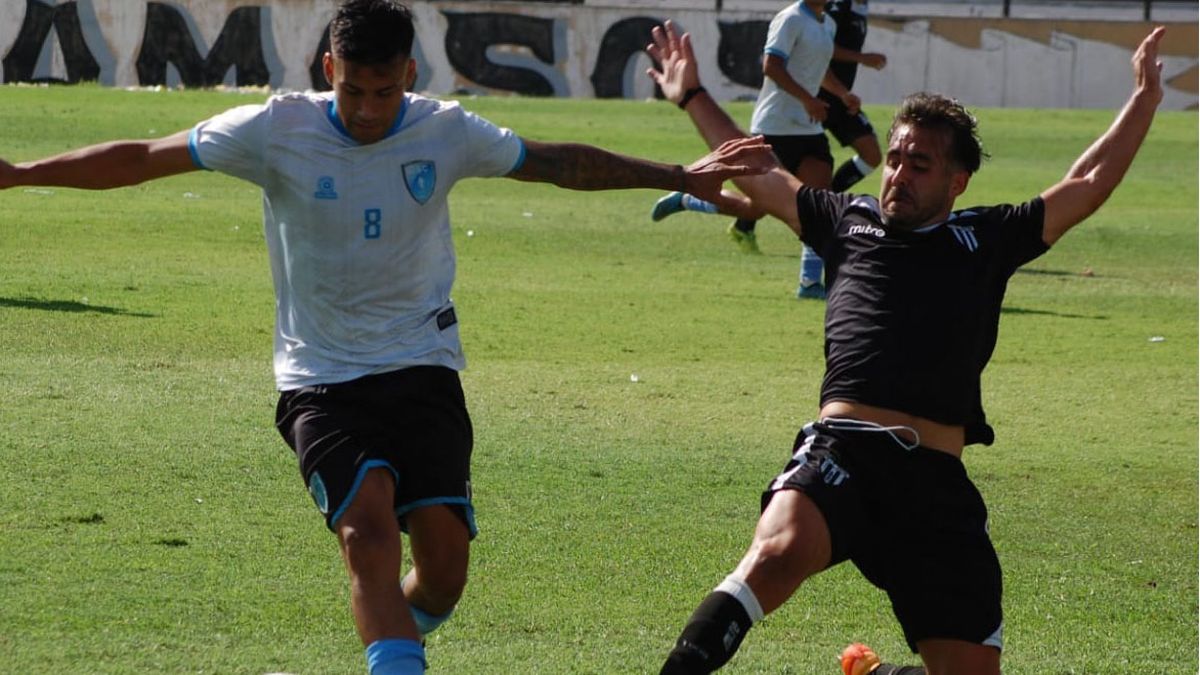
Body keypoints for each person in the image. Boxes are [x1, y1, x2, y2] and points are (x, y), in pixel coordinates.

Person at [0, 3, 772, 674]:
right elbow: (143, 158)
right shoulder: (276, 128)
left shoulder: (444, 131)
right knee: (364, 531)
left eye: (385, 90)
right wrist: (22, 173)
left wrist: (680, 174)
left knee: (442, 574)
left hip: (422, 368)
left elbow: (557, 162)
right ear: (327, 65)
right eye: (352, 89)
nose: (369, 110)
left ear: (410, 70)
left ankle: (395, 643)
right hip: (320, 377)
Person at [645, 19, 1164, 674]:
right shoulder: (847, 219)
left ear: (957, 181)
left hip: (935, 484)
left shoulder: (988, 237)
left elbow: (1087, 182)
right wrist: (692, 94)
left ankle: (876, 672)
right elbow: (760, 169)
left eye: (920, 164)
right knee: (774, 552)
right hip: (845, 452)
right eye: (894, 157)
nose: (898, 174)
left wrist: (1143, 100)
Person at [650, 0, 885, 302]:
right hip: (775, 126)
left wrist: (842, 93)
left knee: (817, 201)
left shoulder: (826, 23)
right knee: (754, 208)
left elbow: (818, 65)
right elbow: (771, 66)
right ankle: (691, 199)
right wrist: (806, 99)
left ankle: (810, 282)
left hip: (809, 128)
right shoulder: (790, 18)